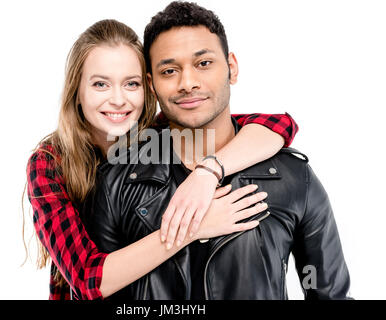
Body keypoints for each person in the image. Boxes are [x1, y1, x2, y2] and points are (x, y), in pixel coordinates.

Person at [88, 2, 351, 300]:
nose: (187, 83)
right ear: (151, 84)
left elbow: (327, 293)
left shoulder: (293, 179)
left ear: (232, 68)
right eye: (169, 70)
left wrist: (208, 171)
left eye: (203, 63)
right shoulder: (116, 181)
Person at [25, 19, 299, 300]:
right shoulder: (50, 163)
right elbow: (87, 279)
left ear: (148, 87)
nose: (118, 100)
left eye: (130, 84)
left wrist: (208, 171)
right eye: (100, 84)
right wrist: (192, 228)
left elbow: (278, 125)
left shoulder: (160, 133)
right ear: (77, 92)